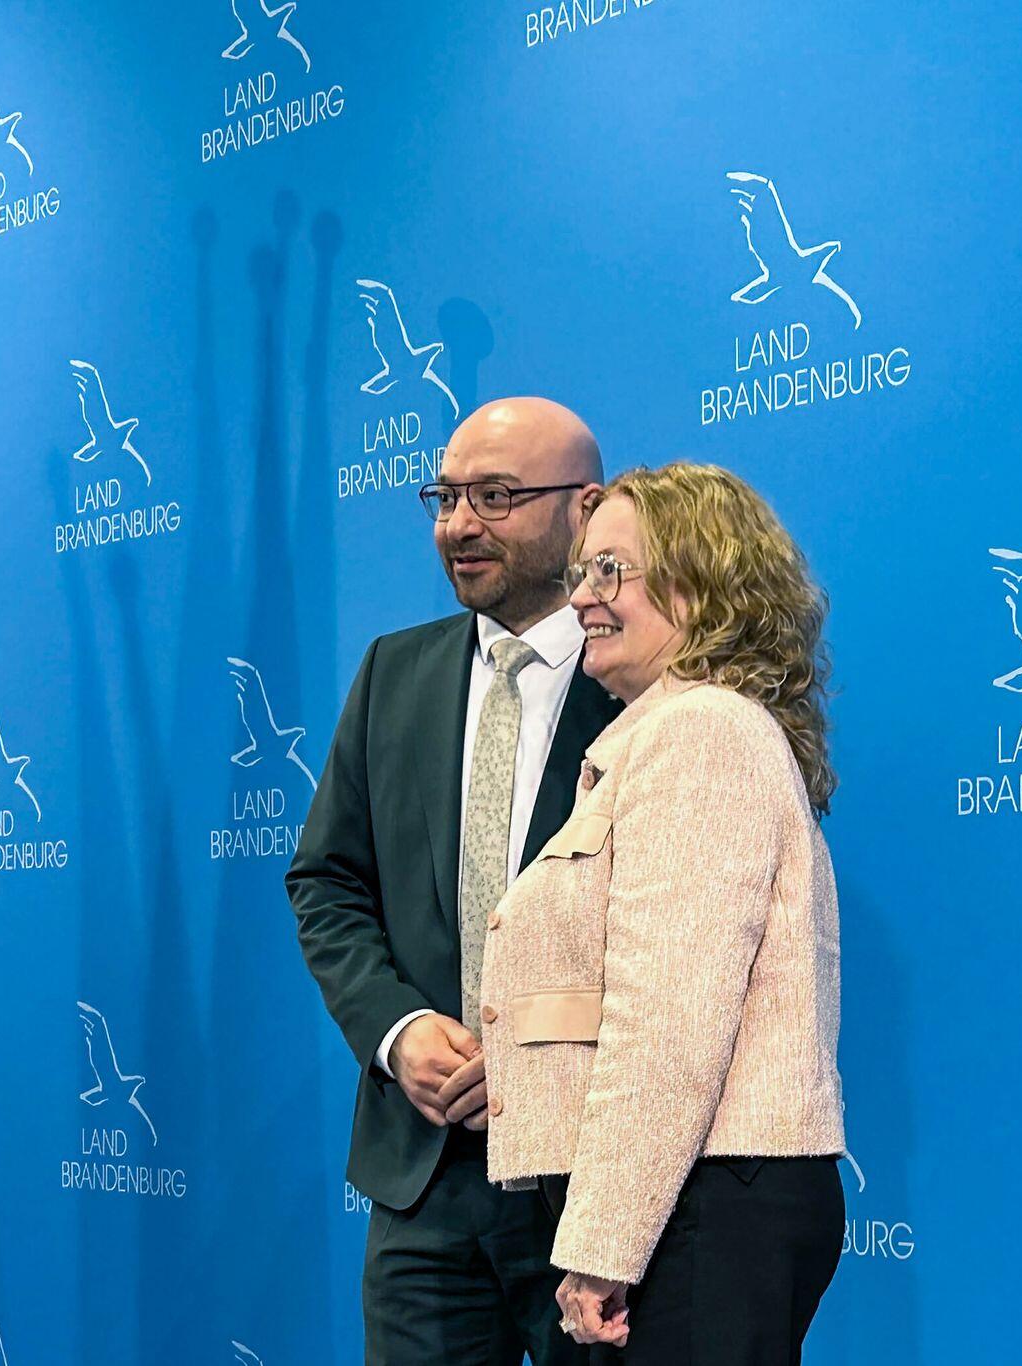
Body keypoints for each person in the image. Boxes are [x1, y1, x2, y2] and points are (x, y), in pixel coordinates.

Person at [479, 462, 847, 1362]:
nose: (581, 598)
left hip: (701, 1205)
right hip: (691, 1199)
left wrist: (604, 1245)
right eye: (582, 573)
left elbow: (668, 1023)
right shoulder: (673, 731)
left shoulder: (701, 731)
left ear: (700, 583)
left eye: (611, 571)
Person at [289, 398, 620, 1364]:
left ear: (586, 509)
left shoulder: (645, 687)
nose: (459, 524)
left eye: (496, 496)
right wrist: (396, 1032)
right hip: (422, 1180)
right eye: (446, 497)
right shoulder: (393, 673)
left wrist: (537, 1059)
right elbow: (326, 882)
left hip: (590, 1185)